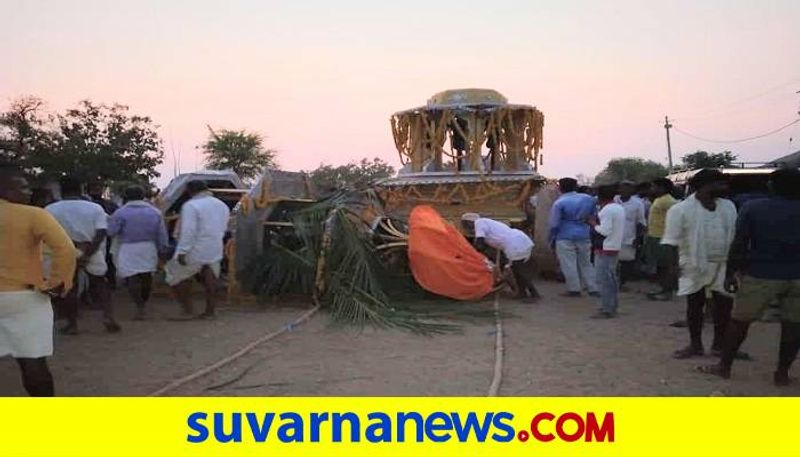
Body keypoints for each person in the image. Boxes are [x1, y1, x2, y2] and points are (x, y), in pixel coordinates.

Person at [700, 169, 800, 385]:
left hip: (761, 274)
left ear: (772, 186)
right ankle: (782, 374)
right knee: (793, 326)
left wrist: (730, 272)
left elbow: (740, 243)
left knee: (739, 322)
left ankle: (724, 367)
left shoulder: (754, 208)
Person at [0, 165, 76, 396]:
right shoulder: (32, 214)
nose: (28, 192)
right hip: (24, 298)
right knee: (32, 361)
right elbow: (65, 249)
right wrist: (57, 283)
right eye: (21, 187)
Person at [661, 169, 746, 359]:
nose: (725, 188)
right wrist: (673, 268)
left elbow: (734, 236)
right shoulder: (680, 210)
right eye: (720, 184)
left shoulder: (728, 206)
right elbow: (671, 241)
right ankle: (695, 345)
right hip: (692, 262)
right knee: (694, 305)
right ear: (705, 186)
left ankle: (719, 345)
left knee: (724, 307)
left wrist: (735, 266)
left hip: (723, 263)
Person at [46, 177, 120, 334]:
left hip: (63, 251)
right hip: (91, 249)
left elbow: (48, 234)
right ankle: (108, 317)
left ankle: (72, 324)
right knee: (100, 284)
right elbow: (101, 232)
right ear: (81, 190)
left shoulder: (50, 209)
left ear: (60, 190)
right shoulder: (95, 208)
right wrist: (88, 253)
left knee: (68, 288)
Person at [165, 180, 230, 319]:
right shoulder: (221, 205)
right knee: (211, 276)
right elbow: (224, 227)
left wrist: (182, 251)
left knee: (176, 276)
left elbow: (188, 231)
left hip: (195, 247)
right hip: (215, 245)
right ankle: (210, 311)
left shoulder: (191, 205)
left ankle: (187, 310)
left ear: (189, 191)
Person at [108, 185, 169, 320]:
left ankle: (139, 306)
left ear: (126, 197)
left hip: (128, 248)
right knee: (147, 276)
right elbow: (162, 235)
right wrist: (163, 250)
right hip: (149, 247)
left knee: (132, 278)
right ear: (143, 196)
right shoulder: (155, 212)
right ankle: (145, 303)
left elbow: (111, 231)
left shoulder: (120, 213)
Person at [461, 213, 540, 302]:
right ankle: (522, 293)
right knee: (516, 270)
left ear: (469, 222)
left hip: (515, 244)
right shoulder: (487, 223)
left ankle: (534, 294)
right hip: (518, 241)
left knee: (519, 271)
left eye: (465, 224)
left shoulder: (479, 223)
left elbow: (480, 244)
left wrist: (469, 254)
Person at [549, 177, 598, 297]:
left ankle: (574, 289)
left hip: (564, 234)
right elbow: (593, 216)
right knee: (586, 262)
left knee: (568, 263)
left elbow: (554, 223)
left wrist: (551, 238)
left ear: (560, 188)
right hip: (584, 232)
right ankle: (593, 287)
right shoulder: (588, 199)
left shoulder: (559, 202)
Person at [586, 185, 626, 318]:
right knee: (611, 279)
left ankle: (607, 309)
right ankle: (612, 306)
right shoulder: (618, 208)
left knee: (604, 280)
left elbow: (605, 231)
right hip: (613, 246)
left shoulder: (607, 210)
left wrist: (593, 223)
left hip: (605, 247)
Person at [646, 178, 678, 301]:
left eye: (654, 187)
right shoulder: (659, 200)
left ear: (662, 188)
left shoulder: (669, 201)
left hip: (664, 237)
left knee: (667, 266)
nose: (651, 189)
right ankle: (663, 289)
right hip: (655, 236)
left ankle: (667, 291)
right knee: (660, 266)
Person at [614, 181, 647, 285]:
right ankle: (613, 281)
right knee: (612, 260)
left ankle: (622, 282)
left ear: (632, 191)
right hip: (612, 236)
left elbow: (641, 222)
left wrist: (637, 238)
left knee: (627, 261)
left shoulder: (638, 203)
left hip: (629, 237)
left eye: (628, 189)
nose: (624, 191)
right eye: (622, 188)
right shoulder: (614, 200)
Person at [87, 182, 119, 287]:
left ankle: (109, 281)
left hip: (104, 237)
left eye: (99, 187)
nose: (97, 189)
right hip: (96, 237)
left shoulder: (110, 205)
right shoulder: (89, 204)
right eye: (94, 187)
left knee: (107, 260)